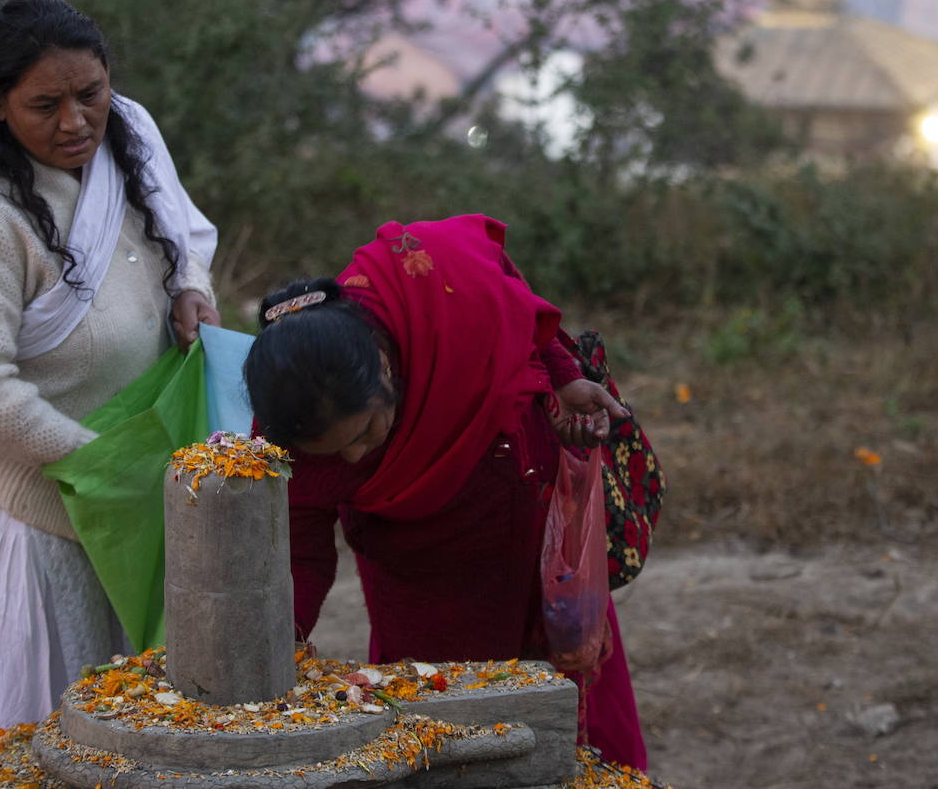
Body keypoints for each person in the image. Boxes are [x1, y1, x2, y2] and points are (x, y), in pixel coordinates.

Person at [0, 0, 219, 745]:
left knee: (143, 713)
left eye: (91, 95)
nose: (75, 122)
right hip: (34, 504)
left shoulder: (129, 135)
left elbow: (186, 228)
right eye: (46, 105)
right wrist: (95, 464)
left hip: (129, 486)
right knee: (55, 725)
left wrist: (189, 287)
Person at [244, 214, 648, 770]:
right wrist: (280, 647)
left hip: (528, 528)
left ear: (387, 366)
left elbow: (518, 311)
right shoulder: (283, 427)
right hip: (419, 584)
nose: (356, 458)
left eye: (366, 432)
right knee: (449, 743)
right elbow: (299, 549)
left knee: (575, 730)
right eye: (334, 453)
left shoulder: (434, 282)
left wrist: (562, 377)